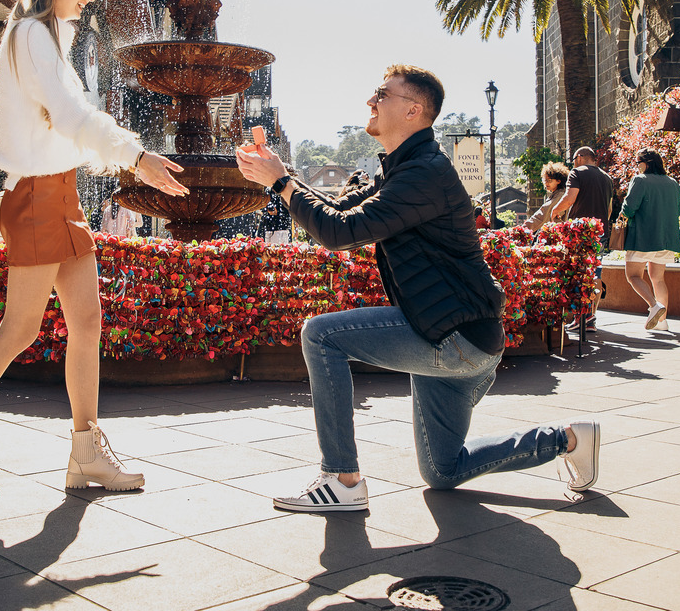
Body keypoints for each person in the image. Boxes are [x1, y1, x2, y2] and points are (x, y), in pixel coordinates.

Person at [235, 64, 599, 512]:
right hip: (460, 337)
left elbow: (337, 233)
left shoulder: (425, 174)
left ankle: (342, 480)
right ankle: (567, 439)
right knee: (443, 470)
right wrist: (281, 174)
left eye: (381, 94)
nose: (370, 101)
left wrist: (281, 181)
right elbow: (336, 212)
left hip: (455, 338)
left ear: (412, 110)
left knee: (320, 335)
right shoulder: (402, 171)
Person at [0, 0, 189, 500]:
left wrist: (130, 157)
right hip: (39, 198)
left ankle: (86, 452)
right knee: (18, 331)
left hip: (61, 196)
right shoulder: (29, 36)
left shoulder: (49, 39)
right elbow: (70, 116)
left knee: (86, 322)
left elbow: (69, 125)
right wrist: (136, 156)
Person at [550, 146, 615, 332]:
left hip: (579, 233)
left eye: (573, 160)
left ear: (579, 157)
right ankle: (590, 317)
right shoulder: (607, 177)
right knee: (594, 273)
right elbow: (609, 210)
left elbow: (570, 198)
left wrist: (556, 210)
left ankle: (581, 317)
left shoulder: (577, 172)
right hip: (599, 234)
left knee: (577, 273)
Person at [619, 148, 680, 331]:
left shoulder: (640, 180)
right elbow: (678, 209)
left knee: (633, 276)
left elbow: (629, 208)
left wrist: (623, 212)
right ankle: (662, 322)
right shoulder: (672, 182)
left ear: (646, 163)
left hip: (642, 236)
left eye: (638, 163)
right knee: (658, 278)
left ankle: (654, 306)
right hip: (665, 237)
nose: (637, 167)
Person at [522, 161, 571, 233]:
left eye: (549, 180)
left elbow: (543, 214)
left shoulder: (560, 195)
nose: (546, 183)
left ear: (558, 181)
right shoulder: (556, 194)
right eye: (545, 180)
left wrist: (523, 229)